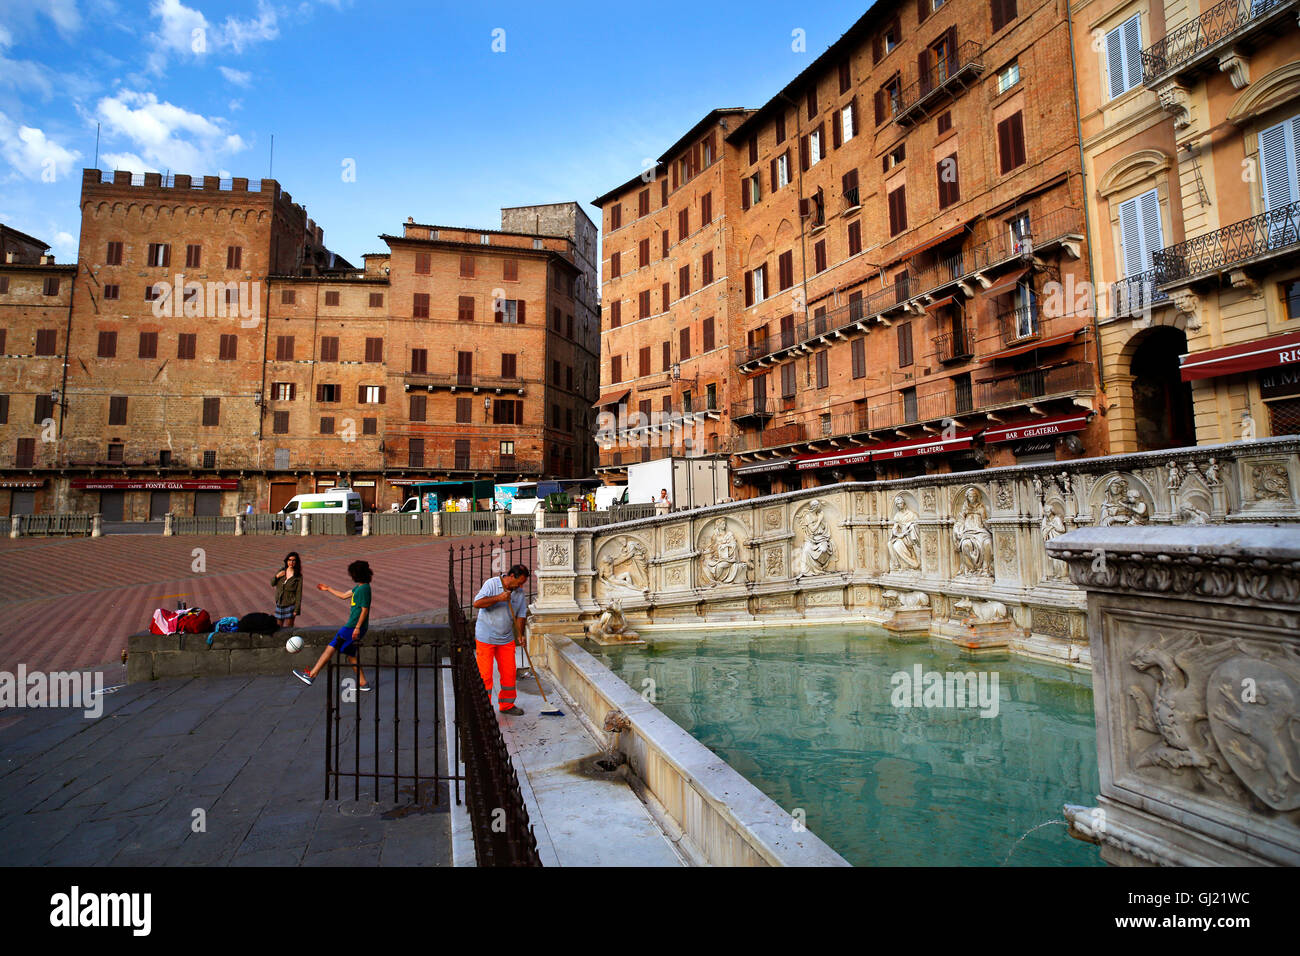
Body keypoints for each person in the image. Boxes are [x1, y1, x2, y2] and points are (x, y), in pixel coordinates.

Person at [293, 560, 372, 690]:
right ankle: (363, 682)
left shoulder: (364, 589)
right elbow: (343, 595)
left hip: (352, 627)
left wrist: (357, 627)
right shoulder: (359, 587)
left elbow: (365, 610)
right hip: (354, 626)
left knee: (331, 647)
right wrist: (328, 588)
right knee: (351, 655)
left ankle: (312, 674)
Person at [471, 563, 530, 716]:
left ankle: (507, 705)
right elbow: (477, 603)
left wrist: (520, 634)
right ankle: (484, 708)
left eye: (523, 583)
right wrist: (499, 598)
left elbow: (521, 614)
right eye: (520, 582)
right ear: (511, 576)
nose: (521, 585)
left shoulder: (519, 593)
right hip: (486, 637)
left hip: (506, 638)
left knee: (509, 672)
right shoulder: (492, 584)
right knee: (485, 675)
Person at [272, 551, 303, 628]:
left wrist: (297, 609)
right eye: (289, 560)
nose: (291, 562)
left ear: (296, 562)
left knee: (289, 628)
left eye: (293, 560)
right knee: (278, 627)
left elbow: (299, 593)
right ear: (286, 561)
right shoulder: (282, 571)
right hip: (280, 604)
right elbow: (272, 583)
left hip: (290, 605)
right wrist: (277, 576)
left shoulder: (298, 576)